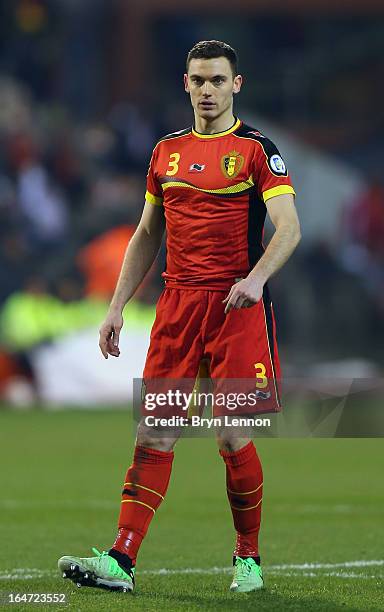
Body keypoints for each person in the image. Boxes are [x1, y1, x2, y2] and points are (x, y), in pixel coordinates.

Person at [58, 40, 301, 594]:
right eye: (198, 80)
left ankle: (249, 560)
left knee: (232, 435)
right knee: (155, 431)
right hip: (177, 306)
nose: (208, 89)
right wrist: (117, 305)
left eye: (218, 80)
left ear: (236, 85)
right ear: (185, 84)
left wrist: (257, 279)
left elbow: (289, 227)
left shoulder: (258, 150)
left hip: (236, 307)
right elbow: (147, 233)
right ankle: (121, 559)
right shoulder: (165, 152)